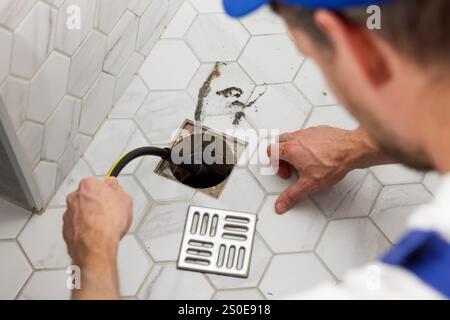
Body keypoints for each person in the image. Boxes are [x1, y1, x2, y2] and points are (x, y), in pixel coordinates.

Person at [63, 0, 450, 299]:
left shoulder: (420, 282)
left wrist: (92, 250)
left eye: (312, 56)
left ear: (359, 52)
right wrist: (354, 146)